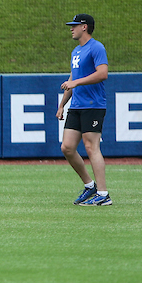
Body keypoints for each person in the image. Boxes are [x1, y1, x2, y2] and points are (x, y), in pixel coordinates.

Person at [56, 13, 111, 206]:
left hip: (93, 105)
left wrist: (77, 82)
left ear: (84, 27)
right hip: (77, 106)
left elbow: (103, 73)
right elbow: (72, 81)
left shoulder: (97, 47)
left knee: (91, 147)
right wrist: (62, 104)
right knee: (67, 147)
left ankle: (103, 194)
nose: (71, 28)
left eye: (74, 25)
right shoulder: (76, 52)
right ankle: (90, 186)